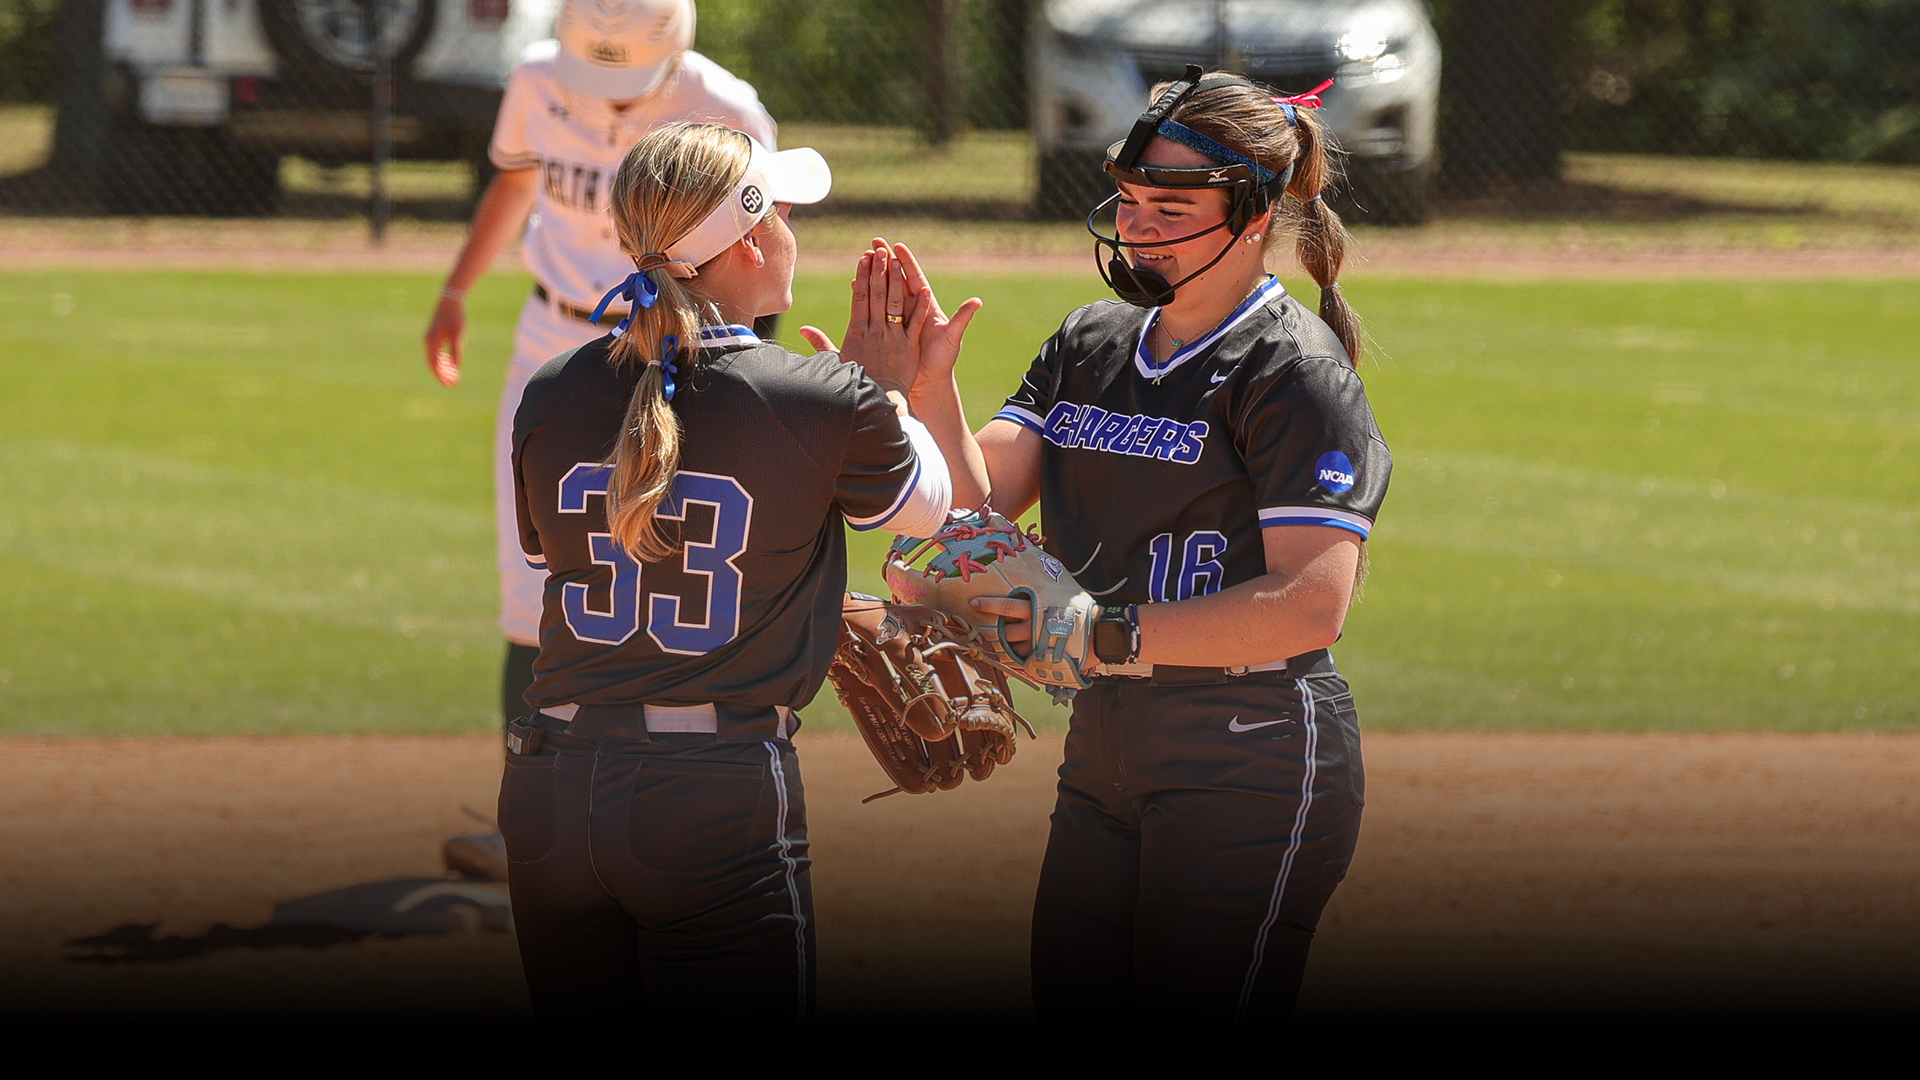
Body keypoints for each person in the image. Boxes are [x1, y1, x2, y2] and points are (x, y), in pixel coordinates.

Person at [892, 68, 1391, 1023]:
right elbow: (977, 501)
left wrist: (1100, 633)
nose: (1138, 226)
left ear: (1253, 213)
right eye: (1128, 199)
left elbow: (1310, 602)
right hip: (1108, 746)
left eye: (1171, 207)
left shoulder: (1291, 370)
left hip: (1250, 752)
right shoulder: (1092, 342)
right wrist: (929, 389)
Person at [499, 121, 955, 1020]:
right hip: (710, 795)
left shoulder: (551, 388)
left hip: (548, 790)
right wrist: (890, 390)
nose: (791, 230)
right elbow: (931, 509)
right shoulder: (819, 398)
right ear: (748, 241)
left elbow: (555, 554)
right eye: (781, 212)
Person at [423, 0, 777, 728]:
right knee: (531, 588)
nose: (612, 95)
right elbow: (516, 183)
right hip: (550, 343)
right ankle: (526, 785)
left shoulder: (725, 107)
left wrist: (752, 370)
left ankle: (682, 768)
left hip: (680, 350)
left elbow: (762, 247)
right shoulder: (537, 79)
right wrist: (456, 291)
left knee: (678, 574)